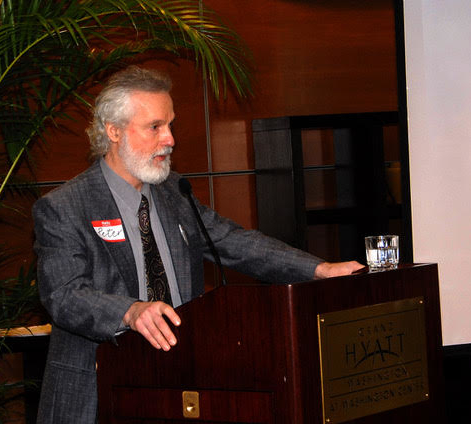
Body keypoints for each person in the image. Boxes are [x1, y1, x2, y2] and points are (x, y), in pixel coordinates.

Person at [32, 66, 363, 423]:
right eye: (155, 127)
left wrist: (319, 269)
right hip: (97, 392)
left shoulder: (174, 192)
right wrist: (131, 311)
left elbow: (234, 242)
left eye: (171, 125)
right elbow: (63, 294)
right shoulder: (65, 207)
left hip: (179, 383)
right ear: (113, 131)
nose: (170, 139)